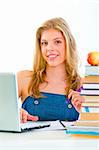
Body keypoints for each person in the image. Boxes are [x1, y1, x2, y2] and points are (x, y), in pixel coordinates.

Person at [17, 17, 84, 123]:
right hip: (29, 140)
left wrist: (86, 112)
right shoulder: (23, 79)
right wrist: (15, 113)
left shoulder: (85, 85)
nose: (49, 48)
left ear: (69, 44)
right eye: (44, 43)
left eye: (57, 42)